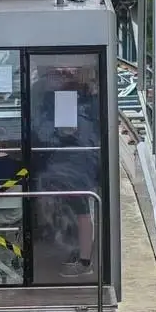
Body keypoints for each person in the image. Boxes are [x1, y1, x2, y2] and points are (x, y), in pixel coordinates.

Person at [30, 65, 100, 278]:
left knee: (80, 210)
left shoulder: (66, 101)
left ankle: (84, 259)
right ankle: (78, 251)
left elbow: (53, 132)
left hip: (72, 163)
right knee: (74, 208)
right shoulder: (83, 98)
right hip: (71, 161)